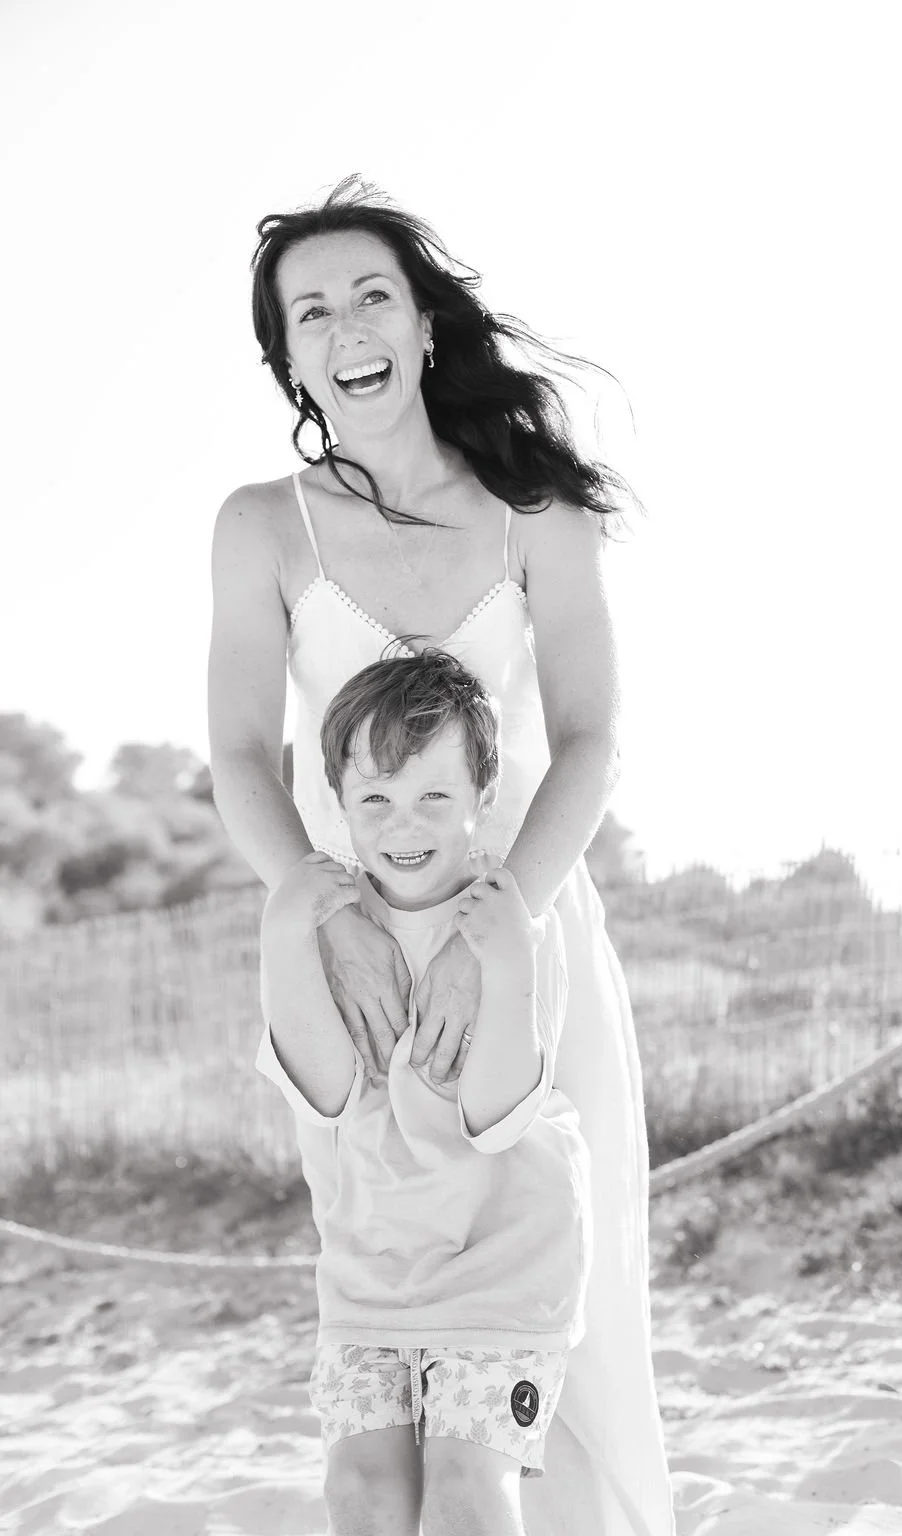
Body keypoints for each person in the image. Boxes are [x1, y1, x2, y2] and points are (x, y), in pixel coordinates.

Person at [208, 174, 675, 1535]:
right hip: (344, 933)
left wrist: (506, 919)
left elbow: (589, 736)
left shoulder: (539, 514)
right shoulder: (260, 529)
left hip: (528, 925)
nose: (345, 326)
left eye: (371, 296)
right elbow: (243, 754)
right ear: (288, 356)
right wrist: (309, 896)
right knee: (392, 1267)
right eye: (312, 311)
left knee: (576, 1284)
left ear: (420, 330)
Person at [257, 649, 592, 1535]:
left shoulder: (517, 917)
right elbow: (325, 1094)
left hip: (503, 1262)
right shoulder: (329, 922)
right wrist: (283, 935)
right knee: (362, 1493)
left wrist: (507, 960)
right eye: (375, 799)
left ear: (484, 796)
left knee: (464, 1492)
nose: (404, 824)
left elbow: (495, 1121)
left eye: (434, 797)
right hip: (370, 1264)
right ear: (338, 804)